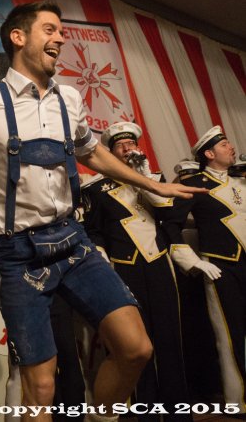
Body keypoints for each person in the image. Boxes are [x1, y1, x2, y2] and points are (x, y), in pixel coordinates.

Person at [0, 0, 203, 421]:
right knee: (40, 387)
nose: (61, 38)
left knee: (136, 348)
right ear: (18, 37)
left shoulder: (68, 99)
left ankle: (101, 416)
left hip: (73, 243)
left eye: (61, 31)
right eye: (50, 29)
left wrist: (151, 184)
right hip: (18, 255)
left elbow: (92, 152)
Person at [81, 122, 194, 421]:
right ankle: (143, 410)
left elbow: (169, 213)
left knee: (170, 338)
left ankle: (177, 410)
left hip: (159, 264)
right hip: (124, 267)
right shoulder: (95, 188)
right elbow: (93, 231)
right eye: (121, 146)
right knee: (135, 344)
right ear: (110, 153)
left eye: (131, 144)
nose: (128, 149)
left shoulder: (155, 179)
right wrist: (101, 259)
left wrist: (145, 178)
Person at [162, 125, 245, 410]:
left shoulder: (241, 181)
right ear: (209, 154)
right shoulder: (195, 184)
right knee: (230, 335)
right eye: (224, 145)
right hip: (221, 267)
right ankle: (238, 401)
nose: (231, 147)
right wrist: (193, 261)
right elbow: (170, 225)